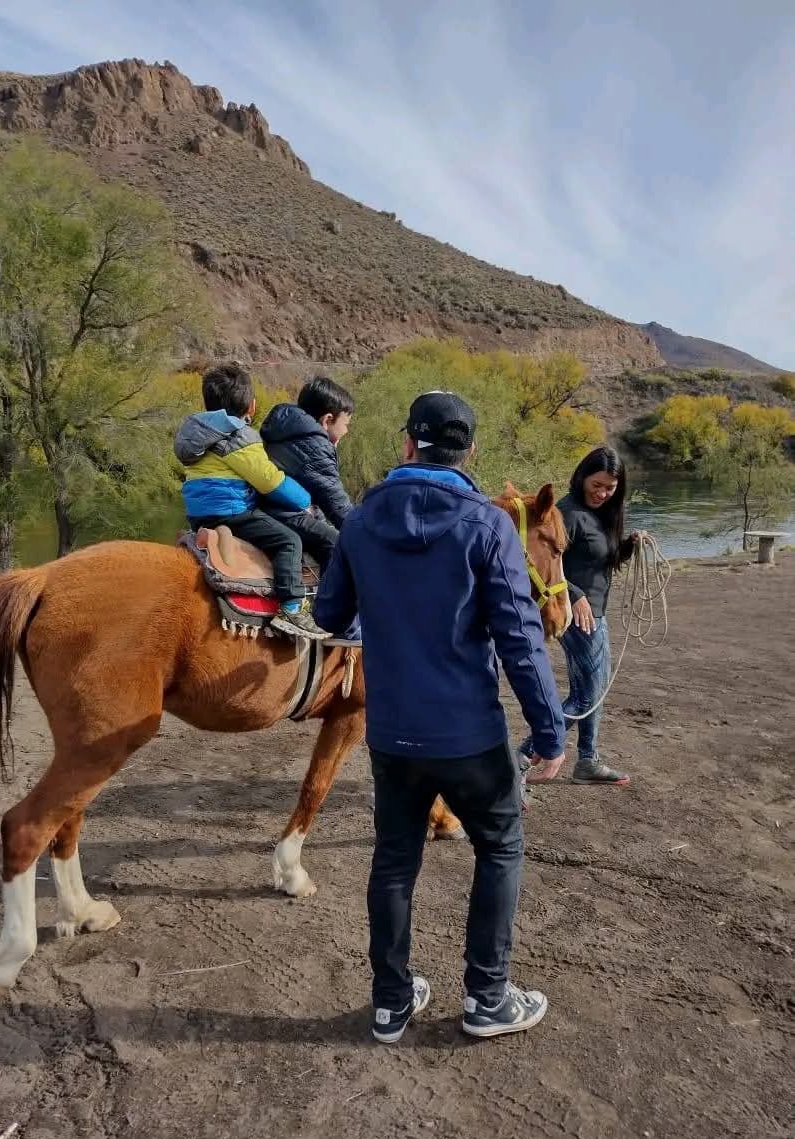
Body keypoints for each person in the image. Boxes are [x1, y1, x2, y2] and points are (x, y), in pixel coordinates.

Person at [314, 391, 566, 1044]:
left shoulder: (363, 521)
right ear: (469, 452)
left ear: (406, 445)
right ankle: (487, 998)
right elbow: (519, 637)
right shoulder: (487, 525)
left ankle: (391, 1004)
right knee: (500, 847)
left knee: (394, 861)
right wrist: (549, 733)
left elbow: (328, 617)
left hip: (392, 735)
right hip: (469, 735)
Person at [174, 362, 330, 641]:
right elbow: (269, 480)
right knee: (288, 541)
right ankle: (292, 608)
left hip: (199, 513)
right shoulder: (238, 437)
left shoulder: (200, 434)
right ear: (252, 407)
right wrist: (305, 499)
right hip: (231, 511)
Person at [519, 444, 638, 788]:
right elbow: (545, 563)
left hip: (596, 613)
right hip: (577, 615)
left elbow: (599, 560)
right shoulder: (566, 512)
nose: (602, 493)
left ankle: (588, 759)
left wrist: (630, 545)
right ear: (582, 477)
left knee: (594, 690)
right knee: (586, 695)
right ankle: (522, 755)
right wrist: (576, 595)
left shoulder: (603, 514)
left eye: (610, 487)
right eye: (596, 485)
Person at [259, 376, 355, 573]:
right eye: (346, 424)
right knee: (336, 544)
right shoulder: (315, 444)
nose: (347, 430)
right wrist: (371, 536)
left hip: (268, 507)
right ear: (327, 420)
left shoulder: (286, 430)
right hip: (284, 512)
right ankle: (331, 602)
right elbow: (338, 507)